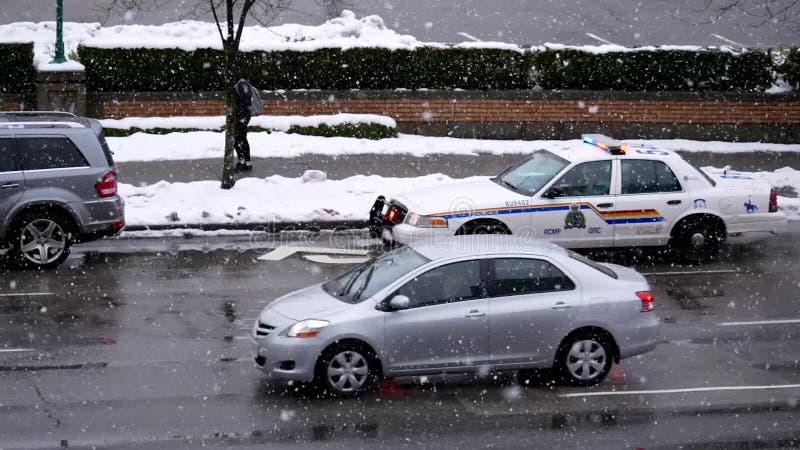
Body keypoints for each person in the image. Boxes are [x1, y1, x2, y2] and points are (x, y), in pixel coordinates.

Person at [233, 78, 254, 172]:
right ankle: (247, 163)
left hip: (241, 115)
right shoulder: (245, 84)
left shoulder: (240, 85)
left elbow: (243, 101)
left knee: (237, 139)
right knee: (242, 138)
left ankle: (241, 162)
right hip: (244, 115)